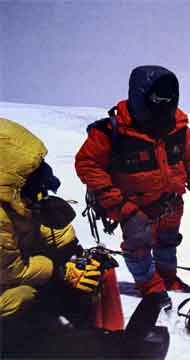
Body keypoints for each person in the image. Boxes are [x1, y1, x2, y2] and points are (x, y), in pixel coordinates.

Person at [75, 65, 190, 300]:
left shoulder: (178, 129)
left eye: (168, 98)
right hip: (132, 206)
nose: (164, 103)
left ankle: (167, 277)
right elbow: (87, 163)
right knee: (138, 244)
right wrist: (119, 206)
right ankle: (150, 287)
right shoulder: (111, 131)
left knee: (167, 240)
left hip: (171, 202)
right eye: (158, 97)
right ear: (141, 96)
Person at [0, 118, 101, 352]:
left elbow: (42, 225)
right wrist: (60, 271)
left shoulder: (18, 195)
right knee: (21, 296)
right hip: (7, 275)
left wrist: (75, 254)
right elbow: (11, 270)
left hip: (12, 265)